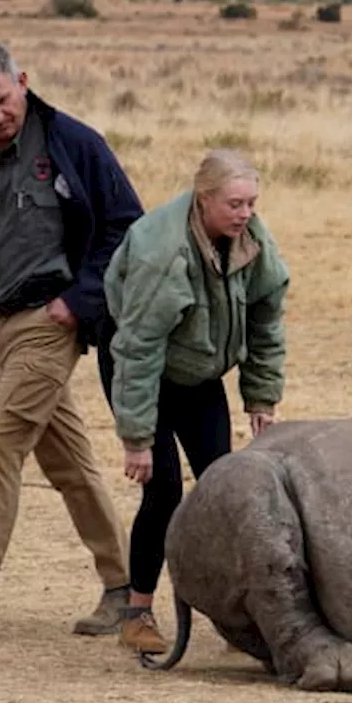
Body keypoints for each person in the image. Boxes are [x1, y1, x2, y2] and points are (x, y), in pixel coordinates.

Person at [0, 37, 141, 642]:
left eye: (1, 98)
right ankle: (125, 588)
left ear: (22, 79)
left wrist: (79, 302)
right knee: (65, 458)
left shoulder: (74, 142)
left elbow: (127, 226)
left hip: (51, 321)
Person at [102, 149, 290, 654]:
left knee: (225, 486)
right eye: (234, 203)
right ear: (203, 200)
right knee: (161, 490)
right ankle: (137, 612)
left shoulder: (252, 240)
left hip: (199, 367)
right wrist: (137, 438)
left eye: (251, 202)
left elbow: (266, 318)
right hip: (145, 366)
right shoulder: (161, 252)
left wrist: (261, 395)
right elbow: (138, 348)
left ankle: (240, 614)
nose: (246, 212)